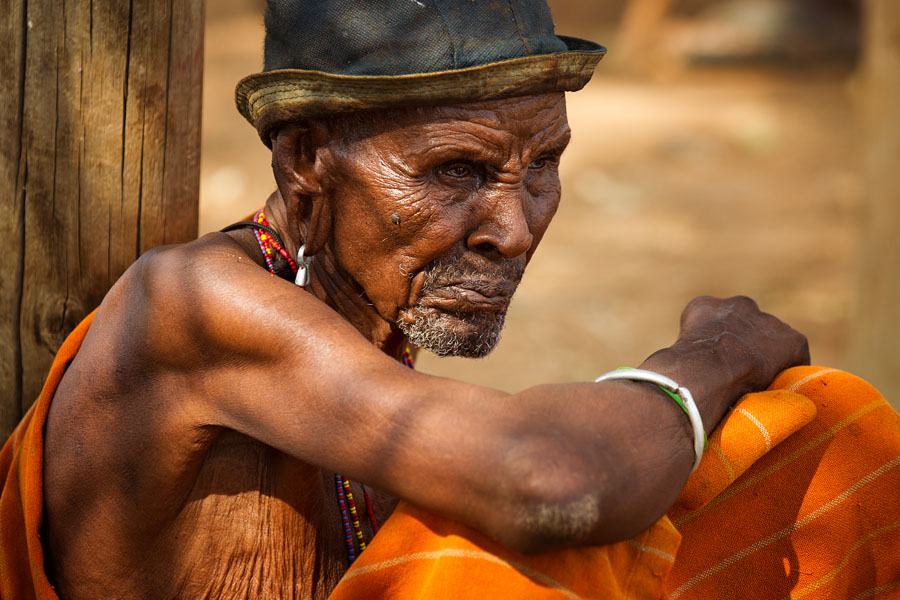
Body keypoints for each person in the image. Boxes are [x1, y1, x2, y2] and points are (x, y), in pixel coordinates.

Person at [2, 2, 899, 599]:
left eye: (542, 165)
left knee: (820, 433)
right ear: (306, 158)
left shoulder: (359, 307)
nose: (512, 228)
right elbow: (550, 482)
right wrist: (715, 353)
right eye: (456, 172)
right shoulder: (192, 307)